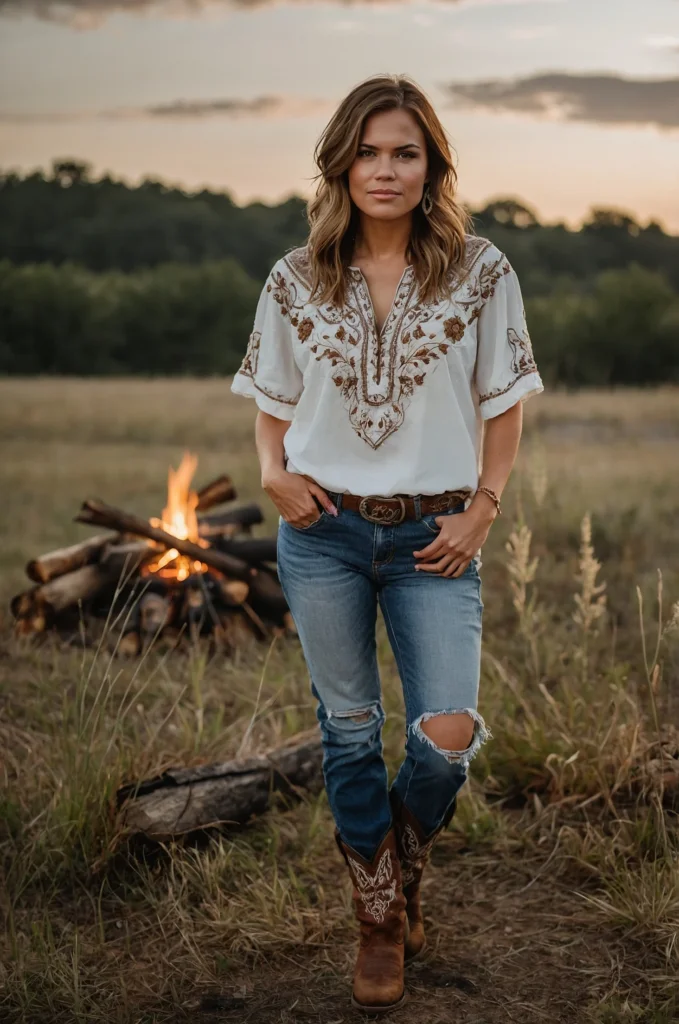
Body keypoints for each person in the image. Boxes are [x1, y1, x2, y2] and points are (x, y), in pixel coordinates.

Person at [231, 73, 544, 1014]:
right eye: (367, 151)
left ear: (431, 165)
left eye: (404, 151)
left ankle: (395, 860)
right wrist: (271, 472)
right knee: (349, 730)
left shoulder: (481, 272)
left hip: (434, 536)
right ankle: (378, 919)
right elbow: (270, 404)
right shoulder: (294, 277)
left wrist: (483, 508)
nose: (384, 169)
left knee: (445, 736)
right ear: (340, 161)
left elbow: (505, 405)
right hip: (320, 535)